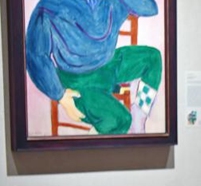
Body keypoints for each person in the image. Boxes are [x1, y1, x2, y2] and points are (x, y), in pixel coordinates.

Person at [25, 0, 163, 134]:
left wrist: (140, 112)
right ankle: (94, 141)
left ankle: (139, 115)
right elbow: (35, 55)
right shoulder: (50, 6)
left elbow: (150, 8)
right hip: (78, 81)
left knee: (152, 58)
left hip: (108, 65)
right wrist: (61, 96)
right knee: (120, 121)